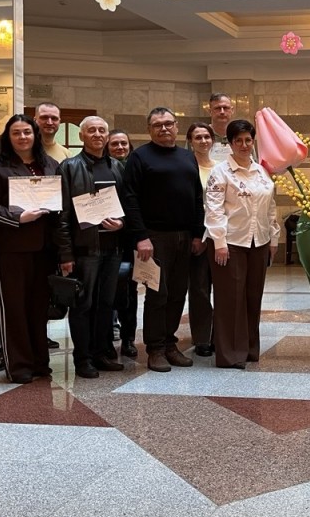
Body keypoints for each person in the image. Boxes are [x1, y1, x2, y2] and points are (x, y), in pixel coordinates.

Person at [123, 107, 205, 372]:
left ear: (176, 126)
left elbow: (197, 197)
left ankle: (170, 344)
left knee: (178, 293)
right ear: (149, 129)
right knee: (157, 294)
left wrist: (197, 233)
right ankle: (155, 349)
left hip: (185, 236)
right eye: (157, 125)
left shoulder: (187, 156)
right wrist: (141, 237)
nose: (164, 128)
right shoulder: (139, 157)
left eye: (168, 123)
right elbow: (130, 199)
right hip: (154, 238)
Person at [0, 114, 61, 384]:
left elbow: (59, 204)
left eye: (27, 132)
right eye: (16, 133)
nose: (22, 137)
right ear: (8, 137)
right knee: (14, 308)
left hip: (45, 248)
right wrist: (18, 218)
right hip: (11, 248)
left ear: (35, 135)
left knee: (39, 307)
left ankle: (39, 362)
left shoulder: (50, 165)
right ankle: (18, 366)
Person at [204, 119, 280, 369]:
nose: (244, 145)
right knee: (231, 299)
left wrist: (273, 237)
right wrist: (219, 241)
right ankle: (230, 354)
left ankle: (249, 349)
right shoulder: (221, 172)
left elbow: (270, 207)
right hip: (230, 243)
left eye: (248, 140)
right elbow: (213, 209)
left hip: (259, 241)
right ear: (230, 143)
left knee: (252, 296)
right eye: (238, 140)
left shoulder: (261, 171)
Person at [56, 116, 126, 379]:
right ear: (82, 136)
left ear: (107, 135)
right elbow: (62, 215)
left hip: (113, 248)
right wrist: (66, 254)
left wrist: (122, 224)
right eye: (92, 130)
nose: (97, 134)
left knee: (106, 304)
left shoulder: (117, 166)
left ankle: (101, 353)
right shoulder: (69, 167)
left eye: (102, 130)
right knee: (82, 306)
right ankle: (83, 359)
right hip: (85, 250)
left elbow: (126, 206)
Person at [105, 130, 139, 358]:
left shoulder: (135, 169)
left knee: (129, 292)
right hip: (105, 239)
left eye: (123, 143)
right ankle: (106, 337)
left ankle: (128, 339)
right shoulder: (102, 168)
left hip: (130, 239)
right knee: (106, 291)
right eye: (114, 144)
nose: (120, 147)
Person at [186, 121, 217, 356]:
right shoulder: (186, 167)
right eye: (198, 137)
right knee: (199, 289)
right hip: (196, 235)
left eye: (207, 137)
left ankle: (221, 335)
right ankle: (202, 338)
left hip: (219, 235)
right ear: (190, 142)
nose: (203, 141)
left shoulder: (221, 168)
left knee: (224, 289)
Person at [207, 93, 236, 164]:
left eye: (226, 108)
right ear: (210, 111)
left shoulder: (240, 136)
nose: (222, 112)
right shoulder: (200, 136)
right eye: (217, 108)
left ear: (232, 110)